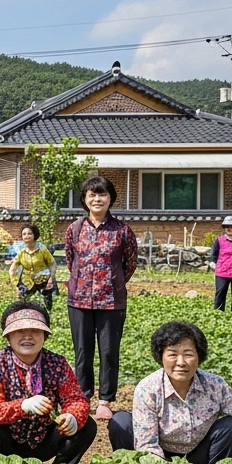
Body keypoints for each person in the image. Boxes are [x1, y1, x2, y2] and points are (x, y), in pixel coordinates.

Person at [108, 321, 232, 464]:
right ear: (161, 357)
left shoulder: (215, 386)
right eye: (172, 354)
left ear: (199, 357)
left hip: (198, 455)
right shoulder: (148, 389)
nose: (181, 362)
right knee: (121, 422)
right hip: (158, 456)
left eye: (188, 354)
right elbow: (147, 444)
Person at [0, 302, 96, 464]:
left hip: (45, 437)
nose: (27, 336)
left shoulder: (57, 363)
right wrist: (23, 405)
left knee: (87, 426)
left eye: (35, 331)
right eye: (19, 331)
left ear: (44, 335)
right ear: (8, 336)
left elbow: (76, 398)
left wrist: (72, 416)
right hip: (8, 441)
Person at [64, 175, 138, 420]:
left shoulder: (122, 231)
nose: (97, 199)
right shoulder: (74, 229)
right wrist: (83, 283)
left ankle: (105, 399)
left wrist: (113, 282)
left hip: (111, 301)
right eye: (92, 195)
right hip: (79, 300)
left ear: (110, 198)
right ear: (84, 200)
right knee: (82, 351)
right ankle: (83, 397)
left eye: (102, 194)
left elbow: (130, 263)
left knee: (108, 352)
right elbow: (70, 261)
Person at [9, 222, 57, 313]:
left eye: (29, 233)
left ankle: (46, 316)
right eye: (24, 234)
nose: (27, 236)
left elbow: (52, 264)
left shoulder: (42, 249)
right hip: (27, 280)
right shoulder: (21, 252)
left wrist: (51, 277)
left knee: (47, 304)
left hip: (43, 279)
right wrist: (16, 284)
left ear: (34, 235)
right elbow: (12, 269)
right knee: (22, 300)